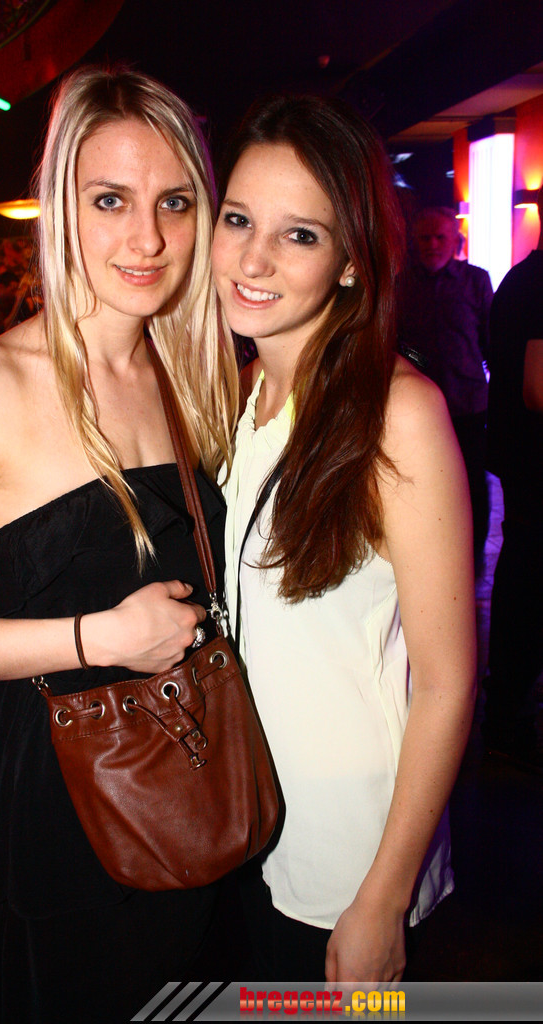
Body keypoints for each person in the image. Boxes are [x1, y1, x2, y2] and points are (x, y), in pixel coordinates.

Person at [0, 67, 238, 1022]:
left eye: (175, 202)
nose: (147, 238)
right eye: (110, 200)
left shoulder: (194, 377)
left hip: (199, 776)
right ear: (60, 207)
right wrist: (94, 638)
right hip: (60, 805)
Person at [214, 95, 476, 983]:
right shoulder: (239, 396)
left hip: (349, 860)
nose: (253, 259)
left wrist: (383, 898)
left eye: (299, 235)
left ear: (354, 260)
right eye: (239, 220)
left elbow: (446, 681)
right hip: (245, 828)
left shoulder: (399, 414)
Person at [482, 184, 543, 771]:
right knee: (526, 584)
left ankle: (507, 715)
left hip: (520, 455)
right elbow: (536, 388)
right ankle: (507, 719)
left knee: (522, 578)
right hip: (533, 459)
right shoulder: (535, 283)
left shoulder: (518, 280)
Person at [397, 207, 493, 561]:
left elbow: (490, 342)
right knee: (418, 484)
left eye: (440, 237)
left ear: (455, 241)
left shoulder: (476, 281)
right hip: (417, 409)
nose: (433, 244)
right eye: (425, 237)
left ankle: (473, 558)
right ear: (415, 241)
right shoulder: (401, 284)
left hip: (467, 403)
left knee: (473, 484)